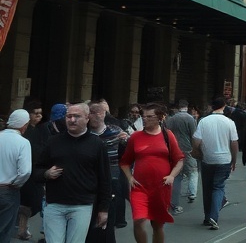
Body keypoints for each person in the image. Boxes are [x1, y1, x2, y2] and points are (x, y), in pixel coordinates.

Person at [34, 102, 110, 243]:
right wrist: (46, 174)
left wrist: (103, 209)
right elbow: (36, 170)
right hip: (54, 204)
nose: (72, 120)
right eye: (69, 116)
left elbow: (104, 179)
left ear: (87, 118)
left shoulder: (97, 144)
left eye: (77, 116)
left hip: (82, 206)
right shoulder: (53, 141)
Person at [120, 105, 183, 243]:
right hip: (140, 187)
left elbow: (179, 160)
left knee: (157, 224)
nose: (144, 119)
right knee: (138, 221)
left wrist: (172, 176)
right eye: (143, 116)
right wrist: (129, 177)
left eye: (149, 117)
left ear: (160, 118)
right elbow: (124, 162)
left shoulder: (168, 135)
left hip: (161, 187)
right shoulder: (136, 137)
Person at [190, 97, 237, 231]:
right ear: (224, 106)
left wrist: (197, 152)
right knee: (218, 187)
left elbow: (196, 140)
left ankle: (207, 216)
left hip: (208, 159)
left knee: (207, 188)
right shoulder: (229, 122)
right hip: (224, 160)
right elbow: (234, 143)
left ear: (212, 106)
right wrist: (234, 160)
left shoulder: (204, 121)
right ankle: (214, 217)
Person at [85, 103, 125, 243]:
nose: (91, 116)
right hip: (90, 179)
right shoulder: (85, 134)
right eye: (89, 113)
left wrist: (125, 141)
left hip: (112, 179)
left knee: (109, 217)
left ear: (102, 114)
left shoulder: (115, 131)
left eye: (94, 113)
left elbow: (129, 149)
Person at [0, 111, 33, 243]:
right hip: (8, 190)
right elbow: (25, 171)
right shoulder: (23, 142)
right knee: (4, 229)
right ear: (24, 125)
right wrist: (16, 183)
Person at [16, 102, 44, 242]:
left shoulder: (36, 130)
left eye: (40, 113)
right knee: (27, 202)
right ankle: (21, 228)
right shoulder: (27, 133)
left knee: (29, 203)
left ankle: (21, 227)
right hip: (27, 172)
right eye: (36, 113)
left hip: (32, 172)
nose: (39, 116)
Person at [162, 102, 197, 213]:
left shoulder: (171, 119)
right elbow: (194, 135)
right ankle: (192, 193)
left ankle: (170, 203)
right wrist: (195, 150)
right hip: (187, 149)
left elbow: (166, 133)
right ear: (187, 107)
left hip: (172, 149)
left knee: (175, 176)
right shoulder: (190, 119)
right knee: (192, 172)